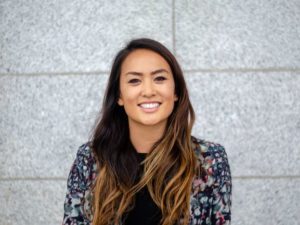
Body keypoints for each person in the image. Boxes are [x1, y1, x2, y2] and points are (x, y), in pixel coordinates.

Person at [62, 38, 232, 225]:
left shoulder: (209, 160)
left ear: (175, 91)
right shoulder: (89, 159)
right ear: (119, 95)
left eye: (159, 78)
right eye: (134, 80)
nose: (148, 91)